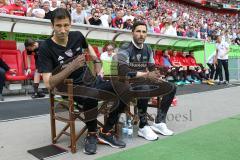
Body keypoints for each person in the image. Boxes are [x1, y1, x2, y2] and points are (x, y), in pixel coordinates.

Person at [37, 8, 126, 155]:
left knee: (123, 88)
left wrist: (97, 62)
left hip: (91, 81)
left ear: (71, 24)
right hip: (71, 90)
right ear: (51, 26)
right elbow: (48, 83)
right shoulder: (45, 47)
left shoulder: (77, 36)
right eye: (58, 26)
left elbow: (88, 46)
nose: (63, 30)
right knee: (91, 94)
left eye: (66, 25)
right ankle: (91, 134)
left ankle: (106, 131)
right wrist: (71, 67)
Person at [116, 21, 176, 141]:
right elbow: (123, 70)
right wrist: (147, 74)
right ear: (132, 32)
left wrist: (156, 75)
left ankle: (159, 122)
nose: (141, 34)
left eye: (144, 32)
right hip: (127, 83)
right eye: (138, 31)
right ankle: (143, 126)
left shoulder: (148, 48)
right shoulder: (125, 47)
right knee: (144, 87)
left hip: (144, 79)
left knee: (171, 87)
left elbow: (152, 66)